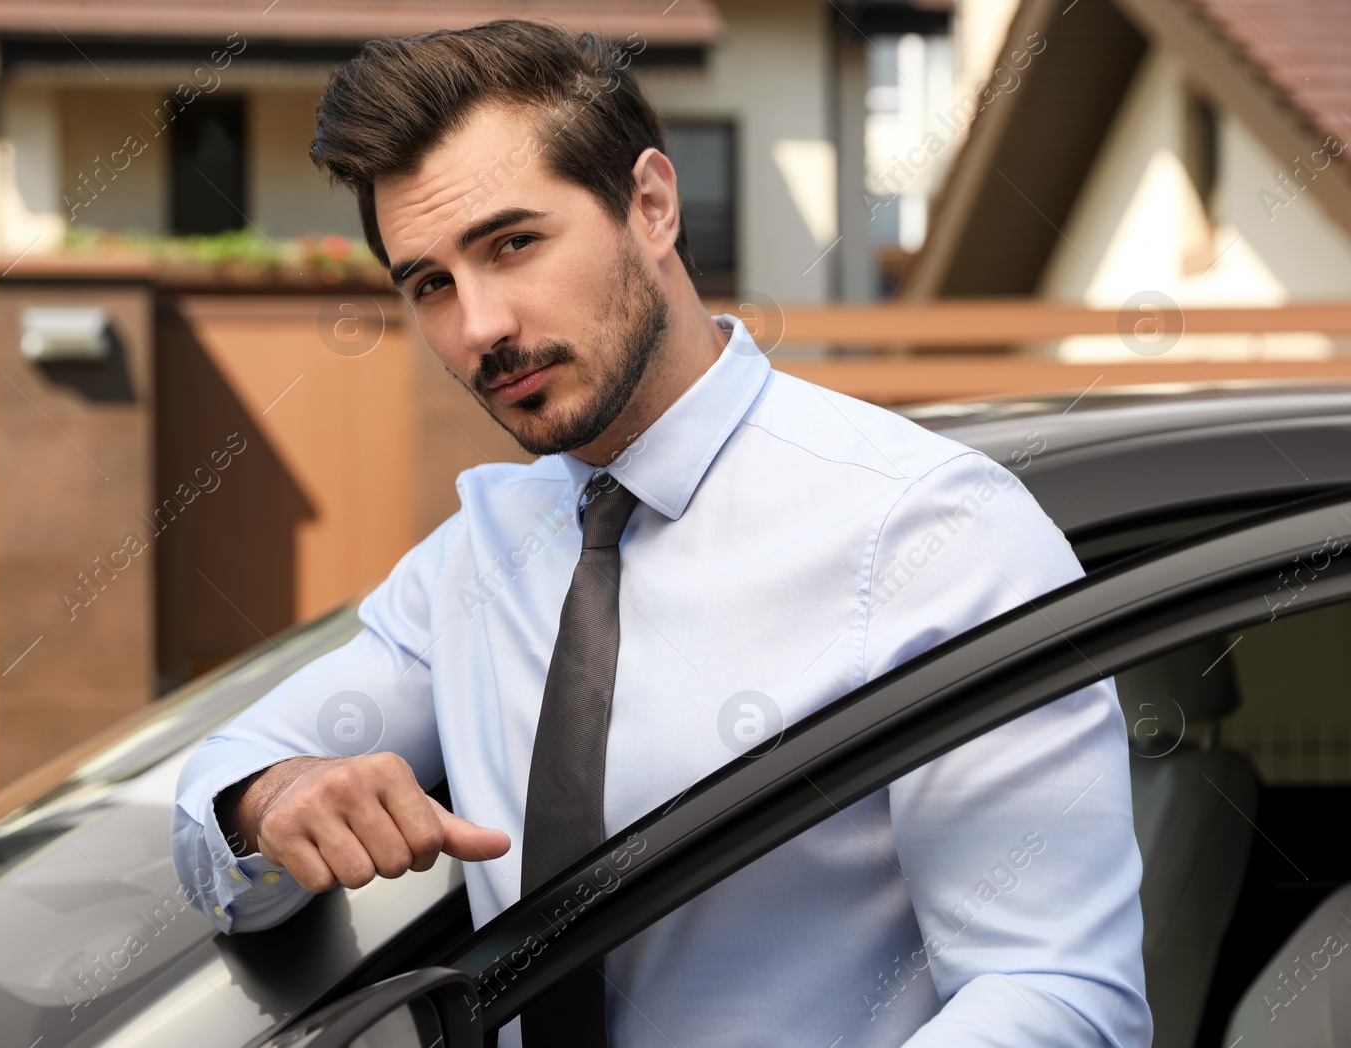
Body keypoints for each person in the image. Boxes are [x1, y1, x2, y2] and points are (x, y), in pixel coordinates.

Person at [173, 18, 1150, 1048]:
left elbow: (1056, 997)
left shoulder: (930, 531)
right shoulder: (477, 558)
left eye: (514, 243)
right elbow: (218, 789)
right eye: (430, 284)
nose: (479, 327)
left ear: (650, 204)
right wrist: (274, 800)